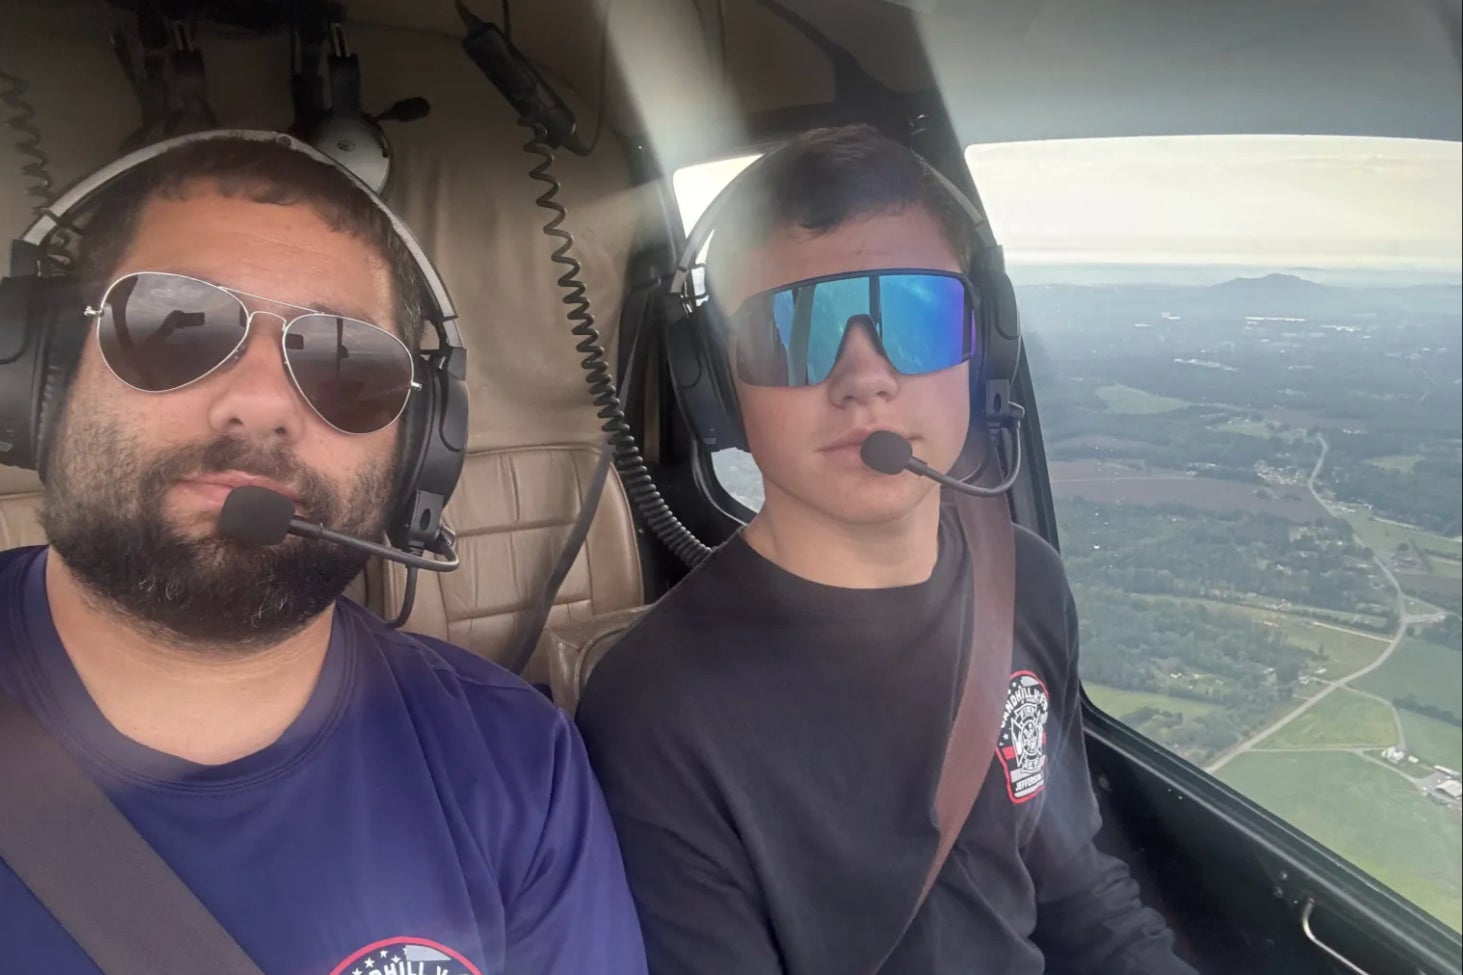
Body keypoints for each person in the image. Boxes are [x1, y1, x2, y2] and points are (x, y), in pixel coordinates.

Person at [0, 133, 647, 975]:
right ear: (40, 375)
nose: (261, 404)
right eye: (173, 324)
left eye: (346, 361)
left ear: (419, 445)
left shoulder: (519, 766)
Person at [576, 125, 1199, 975]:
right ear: (720, 384)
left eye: (913, 315)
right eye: (796, 327)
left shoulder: (1028, 585)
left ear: (984, 351)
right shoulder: (653, 709)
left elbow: (1077, 891)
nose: (862, 376)